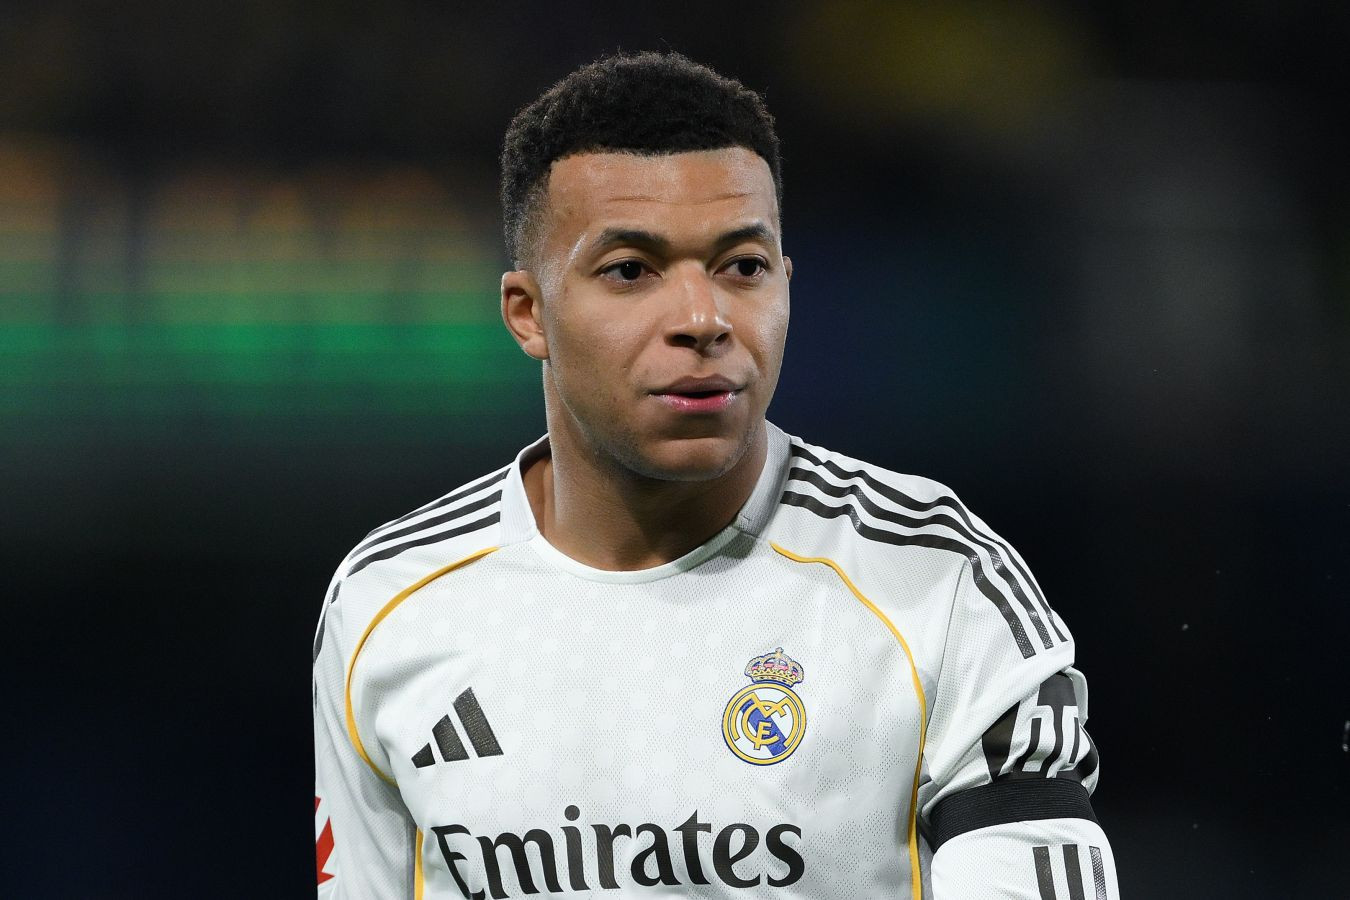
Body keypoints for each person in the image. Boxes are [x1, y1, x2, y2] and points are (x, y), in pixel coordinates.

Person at [313, 51, 1119, 899]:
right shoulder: (389, 606)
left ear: (786, 285)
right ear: (529, 313)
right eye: (631, 270)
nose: (702, 319)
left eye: (743, 267)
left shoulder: (937, 585)